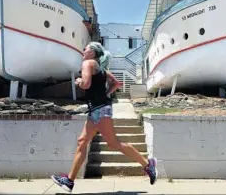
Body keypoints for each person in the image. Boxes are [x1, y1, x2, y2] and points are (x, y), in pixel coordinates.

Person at [51, 41, 158, 192]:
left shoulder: (88, 63)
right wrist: (106, 94)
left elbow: (86, 84)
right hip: (98, 109)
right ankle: (69, 181)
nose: (83, 51)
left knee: (113, 143)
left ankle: (148, 165)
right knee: (82, 141)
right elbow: (117, 83)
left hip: (99, 110)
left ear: (92, 52)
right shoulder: (101, 69)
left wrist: (79, 81)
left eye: (85, 49)